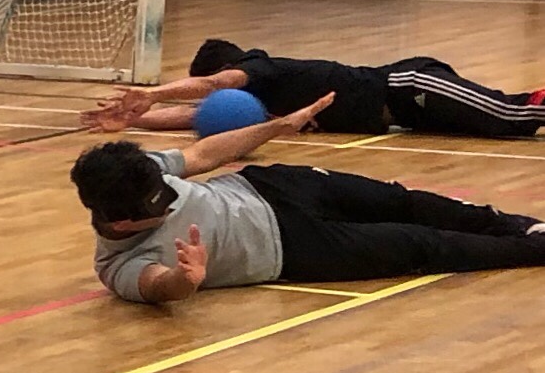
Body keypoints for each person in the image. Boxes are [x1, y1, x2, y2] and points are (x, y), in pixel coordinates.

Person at [73, 97, 545, 304]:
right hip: (295, 249)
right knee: (418, 244)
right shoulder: (122, 268)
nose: (171, 204)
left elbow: (201, 154)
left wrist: (276, 126)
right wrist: (185, 278)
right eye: (160, 209)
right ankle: (534, 249)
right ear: (121, 223)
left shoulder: (138, 173)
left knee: (404, 201)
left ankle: (516, 224)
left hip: (271, 186)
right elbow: (158, 287)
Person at [85, 37, 545, 140]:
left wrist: (153, 94)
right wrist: (134, 120)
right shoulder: (253, 106)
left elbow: (213, 85)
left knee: (513, 115)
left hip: (407, 86)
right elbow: (195, 118)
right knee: (507, 125)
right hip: (408, 116)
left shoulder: (260, 70)